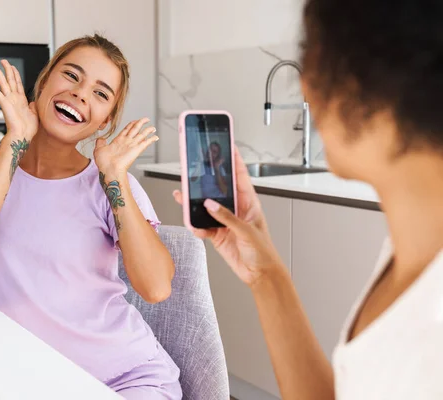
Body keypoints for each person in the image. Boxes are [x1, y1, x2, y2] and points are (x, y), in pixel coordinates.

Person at [174, 0, 443, 398]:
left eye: (312, 57)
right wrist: (267, 276)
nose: (304, 86)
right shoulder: (410, 250)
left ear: (365, 79)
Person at [0, 34, 182, 399]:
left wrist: (114, 178)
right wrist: (15, 139)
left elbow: (157, 288)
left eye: (100, 93)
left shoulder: (110, 184)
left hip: (124, 378)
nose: (81, 94)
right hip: (29, 376)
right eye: (72, 75)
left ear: (104, 121)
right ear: (45, 81)